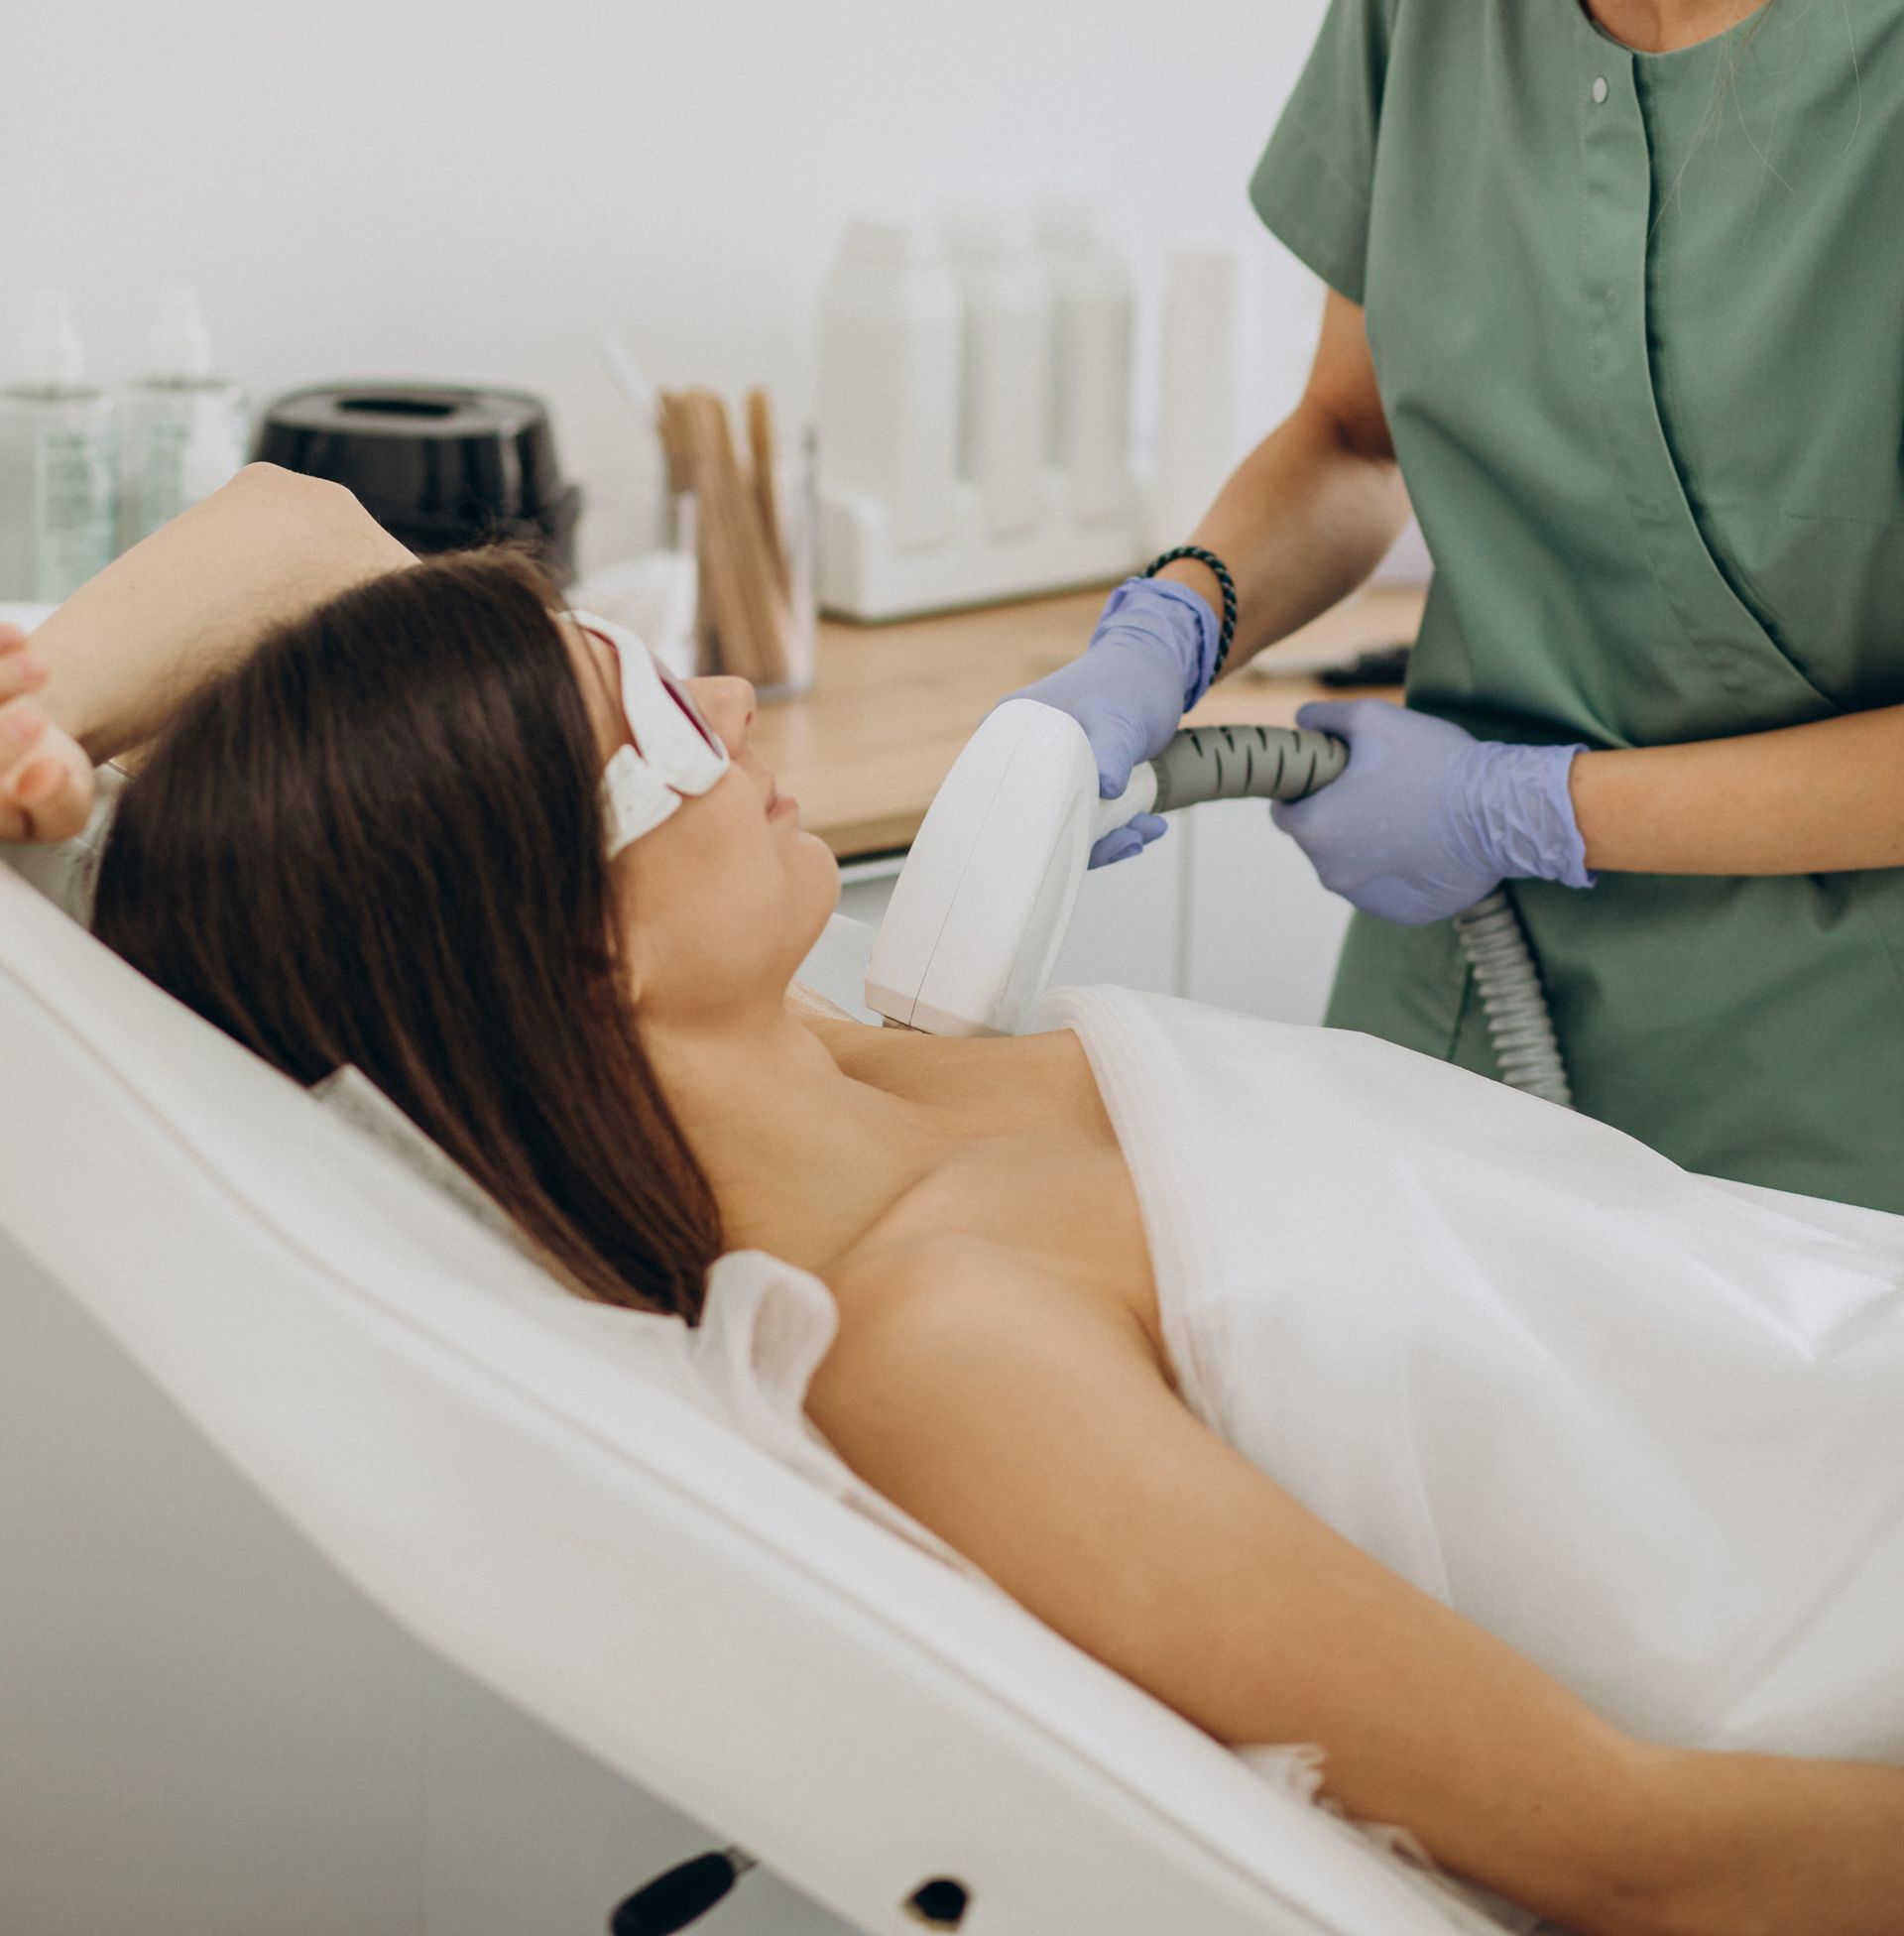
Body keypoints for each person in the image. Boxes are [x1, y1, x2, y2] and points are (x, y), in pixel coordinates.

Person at [4, 465, 1901, 1936]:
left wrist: (44, 698)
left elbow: (305, 535)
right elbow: (1652, 1860)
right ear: (564, 956)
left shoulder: (856, 1053)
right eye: (660, 728)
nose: (738, 703)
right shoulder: (944, 1348)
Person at [1018, 0, 1904, 1213]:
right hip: (1462, 1017)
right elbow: (1352, 441)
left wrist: (1533, 808)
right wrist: (1162, 632)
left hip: (1842, 1103)